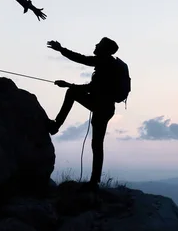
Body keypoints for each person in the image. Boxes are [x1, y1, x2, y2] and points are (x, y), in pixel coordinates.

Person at [47, 37, 122, 188]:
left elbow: (81, 61)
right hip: (105, 107)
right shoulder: (107, 64)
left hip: (101, 107)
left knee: (72, 93)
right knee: (97, 144)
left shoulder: (104, 63)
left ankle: (56, 125)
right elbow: (92, 86)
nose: (95, 45)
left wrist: (61, 50)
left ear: (105, 49)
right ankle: (95, 181)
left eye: (99, 44)